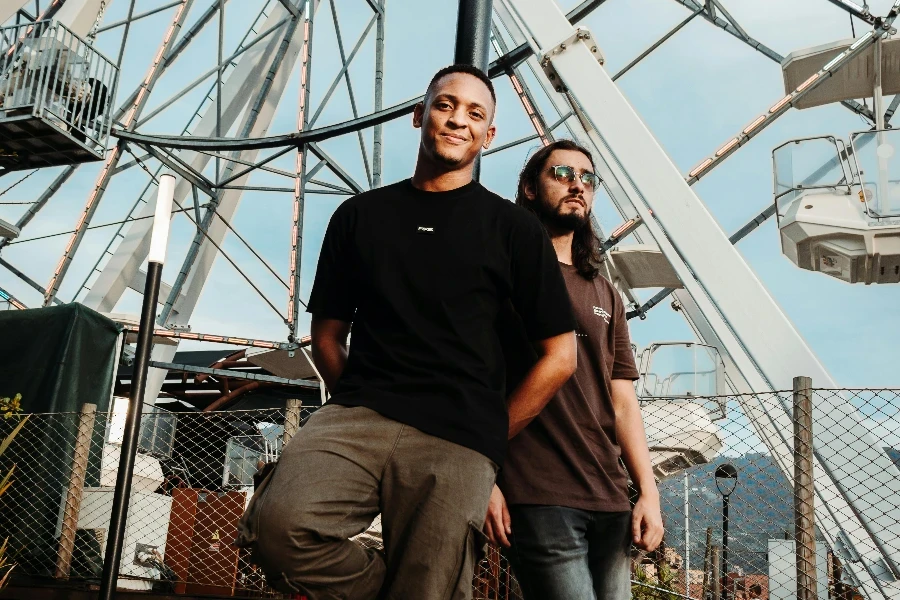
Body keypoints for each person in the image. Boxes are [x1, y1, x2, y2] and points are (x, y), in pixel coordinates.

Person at [236, 65, 578, 600]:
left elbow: (561, 355)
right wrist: (357, 395)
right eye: (445, 105)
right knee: (278, 530)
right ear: (420, 115)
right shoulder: (359, 216)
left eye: (475, 113)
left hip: (458, 435)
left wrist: (492, 435)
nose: (457, 120)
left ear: (489, 136)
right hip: (360, 416)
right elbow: (327, 334)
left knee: (432, 586)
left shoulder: (514, 231)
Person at [484, 139, 664, 600]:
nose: (577, 186)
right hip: (537, 490)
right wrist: (483, 479)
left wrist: (648, 493)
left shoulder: (605, 291)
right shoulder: (499, 275)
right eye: (562, 174)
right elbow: (473, 382)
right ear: (528, 187)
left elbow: (623, 402)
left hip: (608, 492)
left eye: (588, 179)